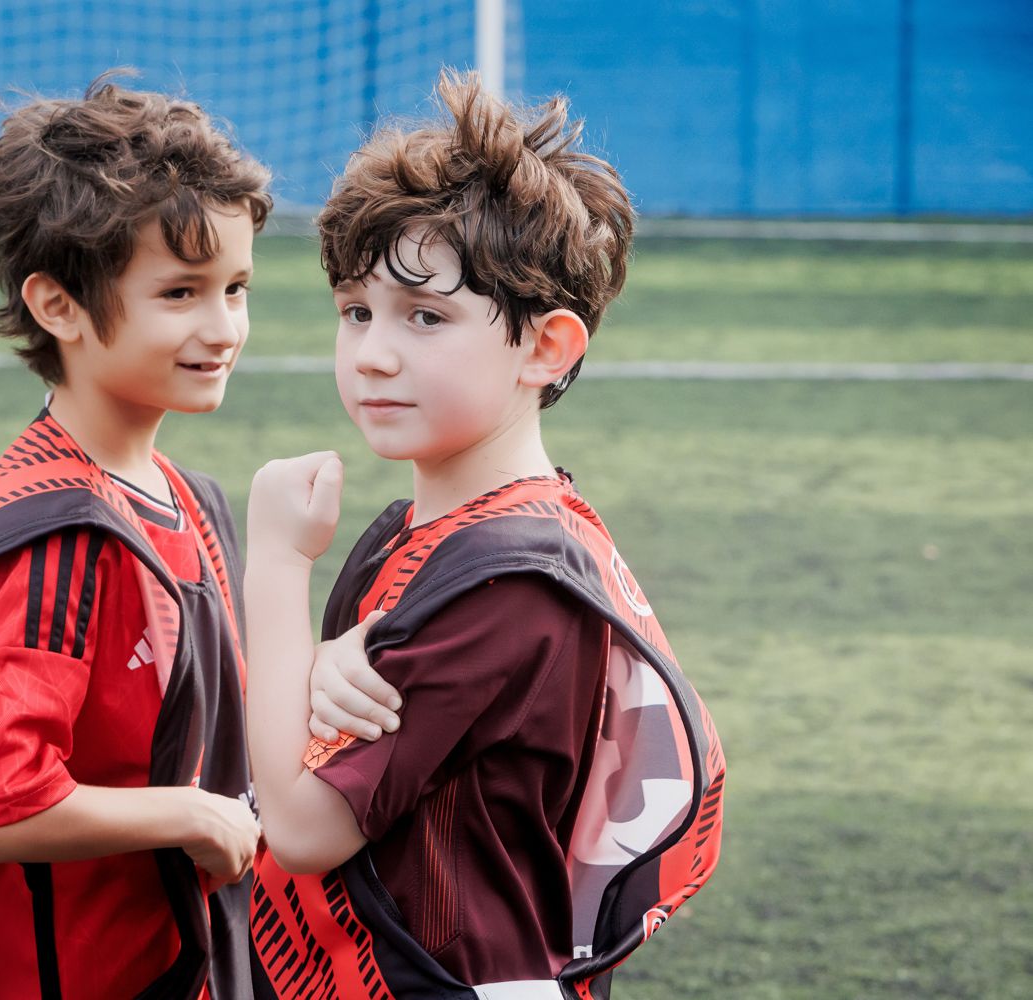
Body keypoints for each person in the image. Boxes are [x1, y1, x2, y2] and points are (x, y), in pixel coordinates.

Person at [244, 71, 726, 1000]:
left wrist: (273, 564)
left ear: (546, 348)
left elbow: (303, 828)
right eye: (356, 311)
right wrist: (318, 667)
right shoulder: (442, 533)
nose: (373, 353)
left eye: (426, 317)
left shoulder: (506, 576)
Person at [0, 76, 273, 999]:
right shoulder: (65, 534)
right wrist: (187, 815)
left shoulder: (183, 497)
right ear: (58, 306)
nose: (224, 327)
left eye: (236, 288)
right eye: (180, 292)